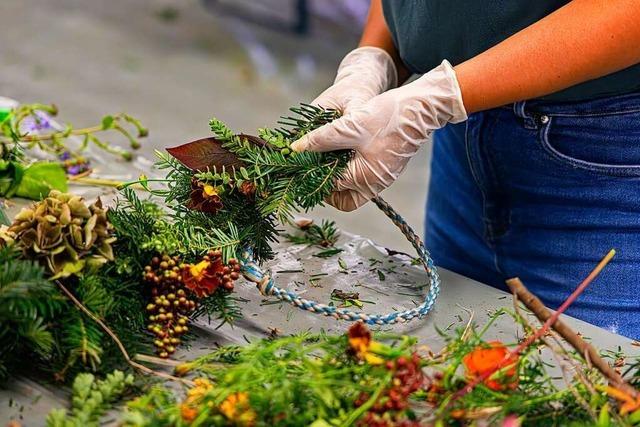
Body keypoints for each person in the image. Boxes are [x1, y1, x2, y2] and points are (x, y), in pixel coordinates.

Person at [291, 0, 640, 339]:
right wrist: (375, 58)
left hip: (599, 169)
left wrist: (436, 98)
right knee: (442, 355)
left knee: (584, 378)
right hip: (458, 147)